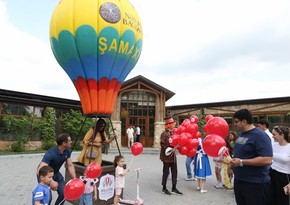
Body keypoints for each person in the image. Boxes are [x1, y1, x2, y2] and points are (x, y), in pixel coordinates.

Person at [228, 108, 273, 205]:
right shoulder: (241, 134)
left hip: (255, 184)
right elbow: (239, 153)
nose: (235, 124)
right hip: (240, 180)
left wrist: (241, 162)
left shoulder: (260, 136)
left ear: (244, 121)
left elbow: (267, 159)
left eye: (236, 122)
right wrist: (231, 166)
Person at [36, 133, 76, 205]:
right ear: (64, 143)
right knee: (47, 197)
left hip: (55, 173)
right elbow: (40, 169)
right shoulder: (51, 153)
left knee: (64, 193)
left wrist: (75, 178)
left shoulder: (67, 151)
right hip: (43, 174)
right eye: (69, 141)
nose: (71, 142)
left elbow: (70, 165)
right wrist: (51, 181)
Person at [160, 116, 183, 195]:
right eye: (172, 124)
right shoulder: (164, 134)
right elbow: (162, 145)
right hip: (166, 157)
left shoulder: (174, 133)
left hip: (173, 157)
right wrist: (170, 149)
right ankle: (164, 188)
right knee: (166, 172)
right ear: (169, 125)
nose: (174, 125)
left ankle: (174, 187)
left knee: (175, 172)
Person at [268, 125, 290, 205]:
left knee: (283, 201)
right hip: (272, 174)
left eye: (274, 134)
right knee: (271, 199)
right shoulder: (274, 145)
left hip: (284, 177)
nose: (272, 137)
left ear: (282, 135)